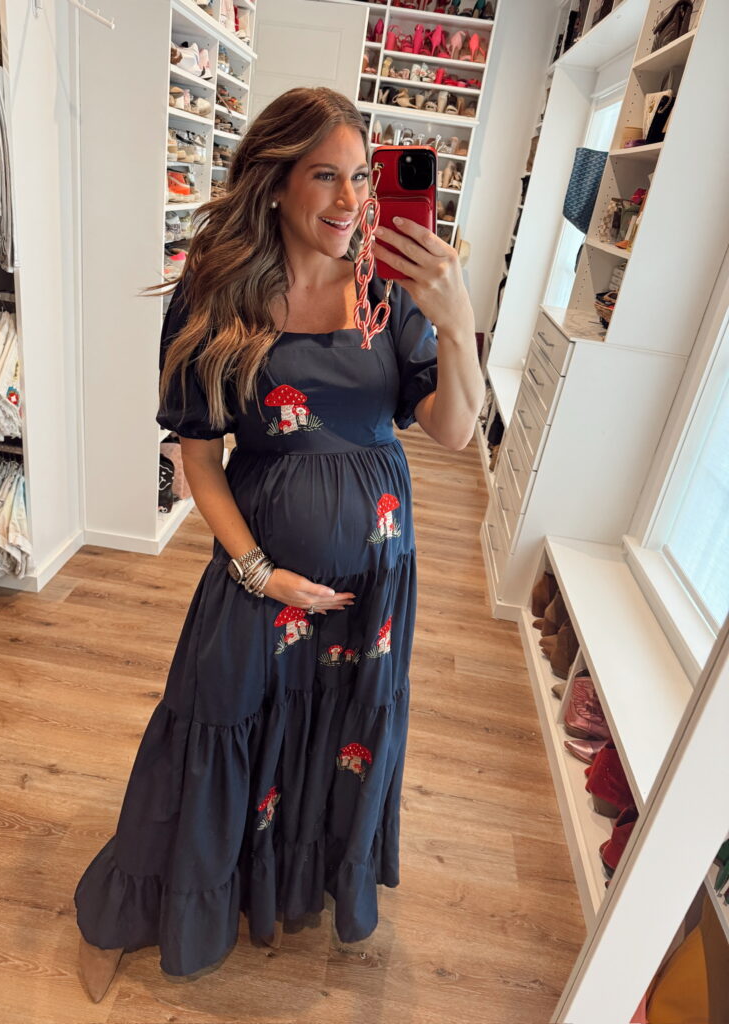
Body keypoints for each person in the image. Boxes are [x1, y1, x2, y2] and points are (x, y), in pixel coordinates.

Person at [73, 86, 484, 1003]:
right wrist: (260, 572)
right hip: (257, 569)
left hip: (374, 578)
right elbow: (198, 455)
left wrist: (457, 325)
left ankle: (289, 886)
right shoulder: (218, 290)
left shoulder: (387, 290)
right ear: (276, 181)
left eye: (364, 179)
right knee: (212, 717)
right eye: (327, 176)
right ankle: (148, 901)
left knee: (337, 730)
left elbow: (455, 430)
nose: (352, 201)